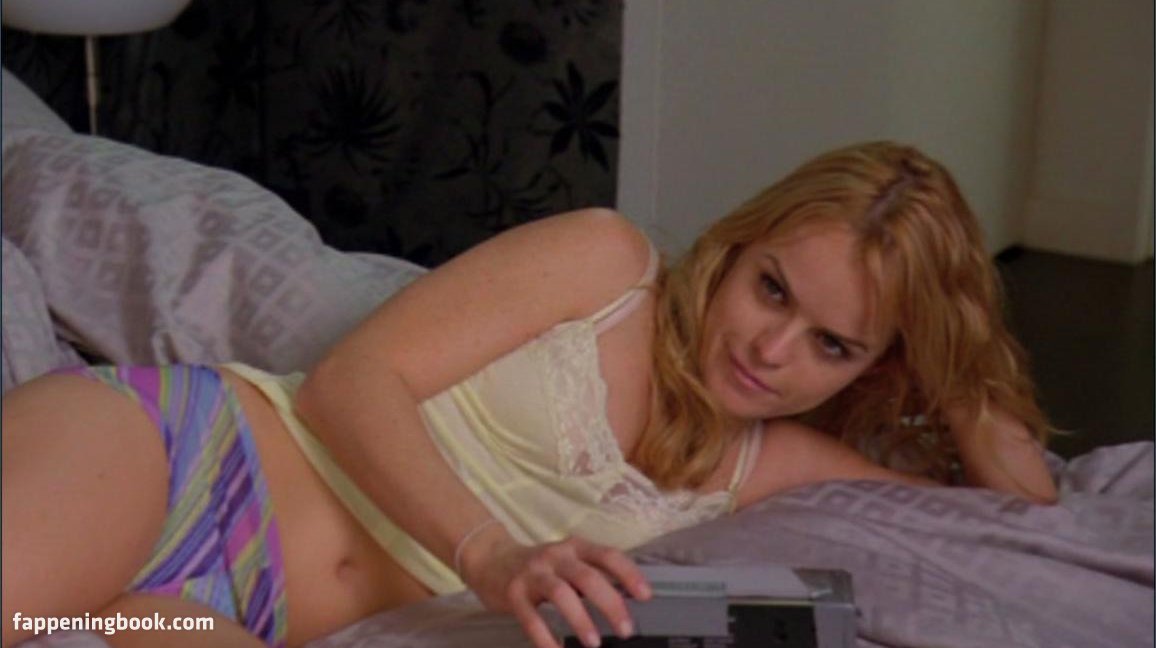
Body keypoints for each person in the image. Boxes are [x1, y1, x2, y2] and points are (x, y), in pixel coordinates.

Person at [2, 141, 1057, 648]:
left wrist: (962, 361)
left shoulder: (767, 464)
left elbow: (1023, 523)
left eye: (830, 343)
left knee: (50, 627)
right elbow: (347, 383)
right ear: (738, 244)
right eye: (770, 288)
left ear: (875, 366)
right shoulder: (606, 268)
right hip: (183, 457)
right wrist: (491, 555)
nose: (770, 349)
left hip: (223, 616)